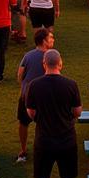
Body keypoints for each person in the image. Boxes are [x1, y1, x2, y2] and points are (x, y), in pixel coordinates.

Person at [25, 49, 82, 178]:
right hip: (67, 139)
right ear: (60, 63)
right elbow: (77, 111)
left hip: (44, 140)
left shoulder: (34, 85)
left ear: (44, 64)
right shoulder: (71, 85)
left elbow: (31, 113)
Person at [16, 27, 54, 163]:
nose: (53, 39)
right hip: (45, 98)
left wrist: (25, 86)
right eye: (50, 37)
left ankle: (23, 150)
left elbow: (20, 75)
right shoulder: (52, 57)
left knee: (23, 123)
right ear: (44, 41)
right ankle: (44, 149)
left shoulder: (28, 56)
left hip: (26, 95)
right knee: (45, 125)